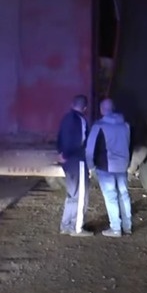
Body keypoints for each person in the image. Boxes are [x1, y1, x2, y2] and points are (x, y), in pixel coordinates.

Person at [86, 98, 132, 237]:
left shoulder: (99, 126)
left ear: (102, 110)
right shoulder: (125, 125)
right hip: (122, 165)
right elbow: (128, 144)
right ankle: (127, 226)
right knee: (124, 195)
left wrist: (90, 166)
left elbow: (90, 149)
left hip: (106, 166)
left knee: (111, 197)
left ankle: (116, 228)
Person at [56, 95, 91, 237]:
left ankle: (65, 225)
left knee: (72, 194)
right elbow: (80, 142)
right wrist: (68, 153)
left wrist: (61, 154)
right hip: (78, 161)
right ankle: (76, 227)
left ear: (72, 104)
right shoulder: (81, 120)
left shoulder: (65, 118)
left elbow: (59, 138)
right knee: (81, 195)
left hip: (67, 162)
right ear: (85, 108)